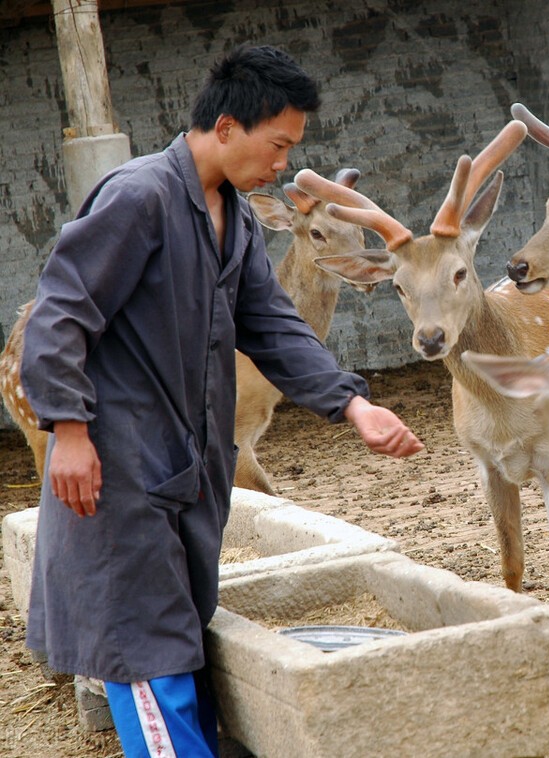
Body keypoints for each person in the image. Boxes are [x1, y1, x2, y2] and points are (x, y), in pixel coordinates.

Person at [19, 44, 424, 757]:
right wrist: (69, 429)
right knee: (151, 661)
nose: (280, 165)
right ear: (229, 126)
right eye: (278, 146)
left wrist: (352, 406)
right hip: (120, 475)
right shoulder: (139, 195)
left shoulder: (233, 218)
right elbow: (60, 313)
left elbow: (270, 324)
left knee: (179, 644)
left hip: (188, 475)